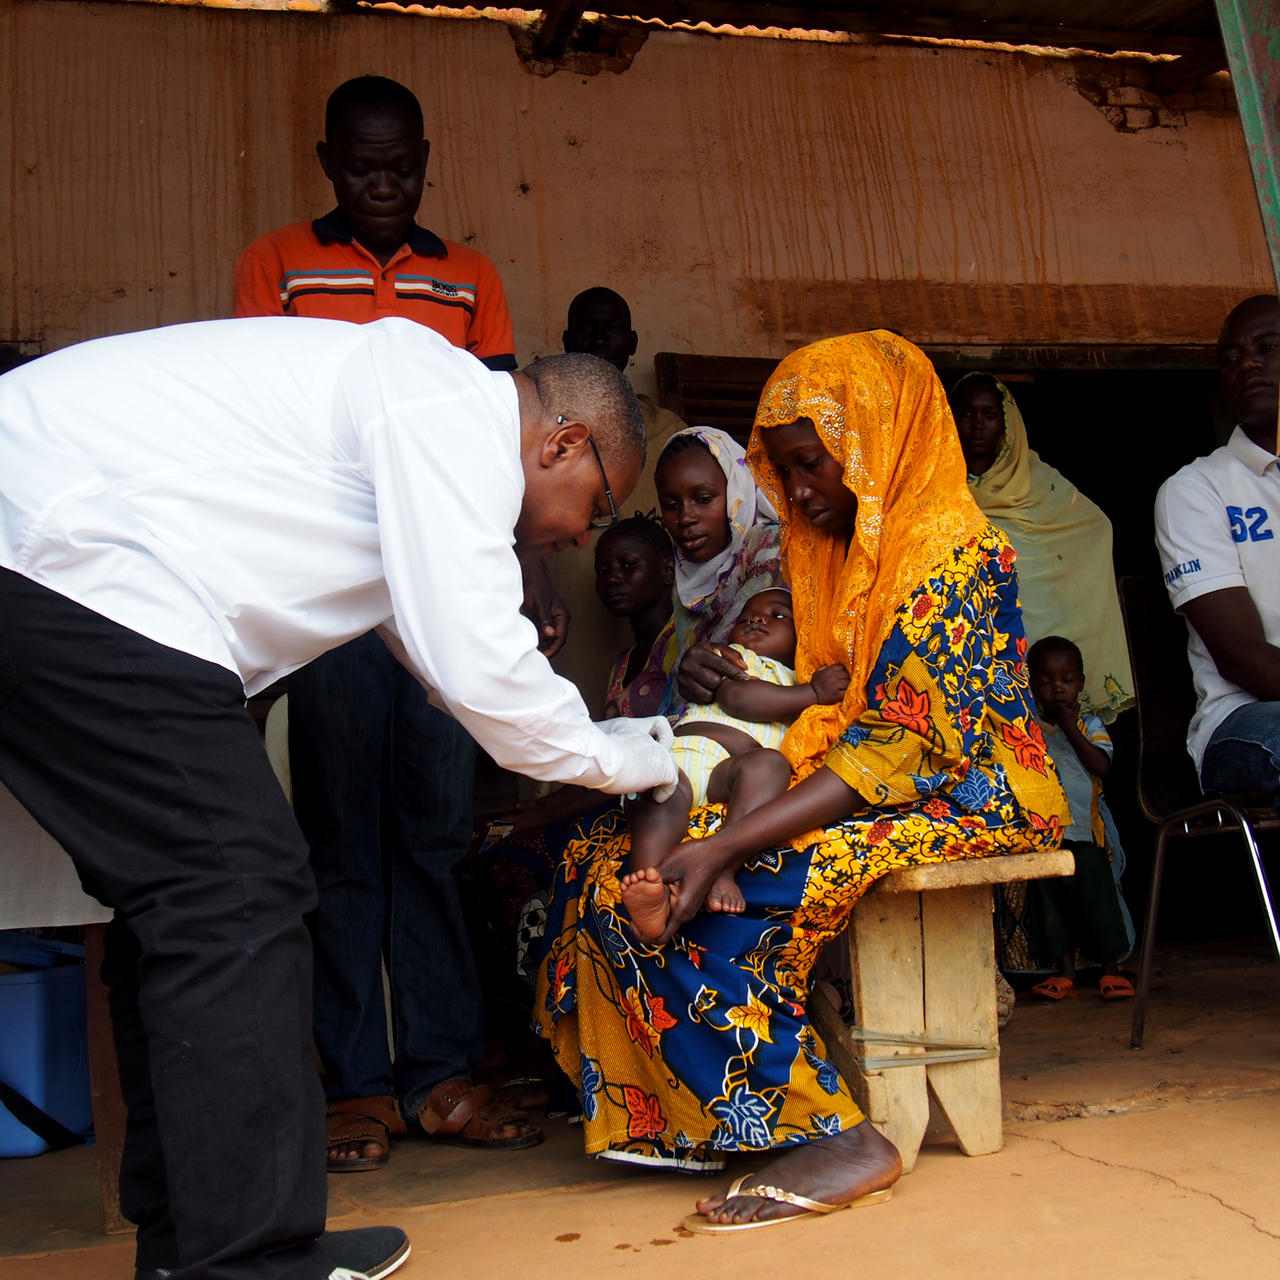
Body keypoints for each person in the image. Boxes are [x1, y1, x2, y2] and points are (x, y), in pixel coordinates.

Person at [0, 319, 678, 1280]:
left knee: (184, 903)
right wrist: (631, 759)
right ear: (560, 443)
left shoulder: (423, 426)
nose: (578, 533)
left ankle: (192, 1239)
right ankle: (244, 1257)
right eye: (597, 504)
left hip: (67, 563)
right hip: (60, 557)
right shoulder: (441, 409)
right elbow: (483, 671)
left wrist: (595, 745)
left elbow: (438, 658)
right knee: (235, 890)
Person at [534, 331, 1069, 1233]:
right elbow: (820, 717)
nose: (801, 490)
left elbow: (894, 748)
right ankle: (701, 1116)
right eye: (785, 471)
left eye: (814, 464)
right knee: (605, 859)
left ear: (872, 440)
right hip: (858, 773)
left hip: (967, 790)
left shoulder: (947, 554)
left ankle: (834, 1133)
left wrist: (729, 841)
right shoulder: (833, 553)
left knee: (726, 891)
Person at [233, 75, 547, 1170]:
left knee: (432, 834)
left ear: (425, 158)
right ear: (327, 161)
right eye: (361, 167)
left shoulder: (469, 281)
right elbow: (260, 430)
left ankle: (441, 1069)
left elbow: (502, 446)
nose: (382, 185)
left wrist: (515, 581)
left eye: (400, 167)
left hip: (441, 595)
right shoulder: (275, 264)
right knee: (340, 844)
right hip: (330, 604)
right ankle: (356, 1082)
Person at [621, 587, 850, 939]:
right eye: (746, 617)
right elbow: (738, 697)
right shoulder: (735, 658)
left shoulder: (795, 676)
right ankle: (651, 888)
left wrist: (809, 690)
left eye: (777, 615)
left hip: (730, 771)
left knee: (770, 766)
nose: (757, 619)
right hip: (682, 757)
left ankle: (724, 868)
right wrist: (814, 695)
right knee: (659, 798)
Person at [950, 373, 1134, 724]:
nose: (976, 425)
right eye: (966, 414)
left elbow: (1094, 527)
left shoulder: (1038, 481)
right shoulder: (936, 480)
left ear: (1007, 424)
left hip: (1035, 638)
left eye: (989, 415)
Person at [1155, 294, 1280, 803]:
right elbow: (1239, 655)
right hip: (1243, 717)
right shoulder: (1196, 488)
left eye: (1267, 347)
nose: (1245, 362)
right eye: (1229, 358)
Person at [546, 287, 687, 712]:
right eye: (588, 328)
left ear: (632, 343)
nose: (599, 338)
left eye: (612, 328)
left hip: (653, 611)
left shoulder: (667, 430)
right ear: (568, 342)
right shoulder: (542, 427)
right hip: (566, 599)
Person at [1024, 637, 1134, 1000]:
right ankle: (1064, 972)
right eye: (1046, 681)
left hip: (1087, 834)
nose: (1057, 688)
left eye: (1067, 680)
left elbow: (1102, 765)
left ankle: (1110, 970)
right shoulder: (1029, 728)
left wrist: (1068, 724)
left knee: (1098, 901)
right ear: (1032, 683)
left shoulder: (1090, 724)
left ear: (1081, 683)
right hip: (1045, 834)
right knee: (1052, 904)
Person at [654, 426, 782, 711]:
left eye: (703, 499)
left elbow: (742, 665)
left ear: (738, 490)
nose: (685, 517)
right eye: (671, 505)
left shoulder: (768, 552)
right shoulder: (688, 580)